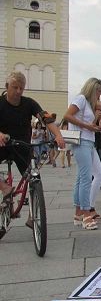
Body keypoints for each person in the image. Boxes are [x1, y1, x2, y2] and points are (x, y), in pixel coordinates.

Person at [0, 72, 65, 228]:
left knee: (34, 177)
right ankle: (5, 187)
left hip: (22, 146)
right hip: (3, 144)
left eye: (21, 88)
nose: (18, 91)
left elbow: (46, 118)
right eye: (15, 87)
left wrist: (58, 136)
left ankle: (32, 215)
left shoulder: (29, 103)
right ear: (7, 87)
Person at [63, 77, 101, 230]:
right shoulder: (81, 99)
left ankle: (78, 212)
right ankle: (86, 214)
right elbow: (67, 116)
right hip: (81, 141)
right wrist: (86, 125)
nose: (100, 95)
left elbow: (92, 125)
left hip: (89, 141)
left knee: (91, 175)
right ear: (93, 89)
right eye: (99, 91)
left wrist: (98, 112)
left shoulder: (89, 104)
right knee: (86, 177)